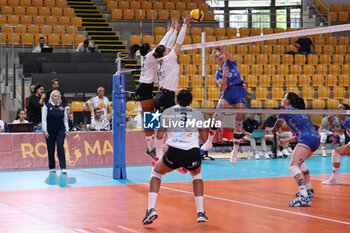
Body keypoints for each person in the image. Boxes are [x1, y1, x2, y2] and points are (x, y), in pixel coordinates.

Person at [142, 90, 208, 225]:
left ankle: (150, 209)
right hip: (193, 153)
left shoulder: (168, 112)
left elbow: (159, 136)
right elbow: (204, 138)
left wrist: (166, 134)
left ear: (177, 100)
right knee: (196, 176)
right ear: (191, 101)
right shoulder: (198, 114)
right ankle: (200, 212)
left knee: (156, 173)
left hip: (174, 153)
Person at [131, 18, 179, 160]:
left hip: (146, 88)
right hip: (144, 88)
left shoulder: (148, 57)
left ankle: (155, 145)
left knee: (151, 117)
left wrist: (173, 30)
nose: (154, 49)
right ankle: (151, 148)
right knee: (149, 118)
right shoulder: (151, 56)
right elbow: (163, 43)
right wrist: (172, 30)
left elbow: (165, 46)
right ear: (149, 50)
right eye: (152, 48)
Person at [151, 15, 192, 174]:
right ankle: (164, 158)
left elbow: (167, 44)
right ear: (165, 52)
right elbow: (179, 43)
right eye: (167, 48)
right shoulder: (169, 58)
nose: (169, 47)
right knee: (170, 128)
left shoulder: (161, 59)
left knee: (166, 128)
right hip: (166, 97)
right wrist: (184, 26)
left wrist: (173, 29)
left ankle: (160, 156)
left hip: (161, 96)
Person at [270, 92, 320, 207]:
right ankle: (309, 190)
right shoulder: (302, 112)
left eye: (284, 97)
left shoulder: (285, 110)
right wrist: (286, 141)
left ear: (288, 101)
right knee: (300, 164)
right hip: (315, 138)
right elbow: (301, 134)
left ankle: (304, 198)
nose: (282, 99)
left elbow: (275, 128)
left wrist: (273, 131)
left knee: (293, 166)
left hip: (307, 139)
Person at [200, 45, 246, 165]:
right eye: (216, 56)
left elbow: (230, 56)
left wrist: (223, 49)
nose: (218, 57)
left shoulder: (231, 62)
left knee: (239, 120)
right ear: (214, 60)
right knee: (218, 115)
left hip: (239, 91)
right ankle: (209, 141)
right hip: (227, 92)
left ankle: (235, 150)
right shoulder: (217, 74)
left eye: (219, 55)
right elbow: (223, 87)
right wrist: (224, 73)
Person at [42, 90, 69, 174]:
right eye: (55, 96)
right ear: (51, 97)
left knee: (60, 146)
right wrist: (45, 130)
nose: (56, 97)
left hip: (60, 129)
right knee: (51, 148)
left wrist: (67, 130)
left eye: (58, 96)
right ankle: (52, 166)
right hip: (50, 130)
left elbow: (65, 120)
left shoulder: (62, 107)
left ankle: (63, 167)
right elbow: (44, 120)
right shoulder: (46, 107)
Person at [322, 103, 350, 185]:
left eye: (340, 108)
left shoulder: (348, 120)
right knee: (336, 152)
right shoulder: (343, 122)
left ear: (346, 111)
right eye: (337, 108)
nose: (338, 109)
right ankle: (335, 177)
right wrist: (330, 123)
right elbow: (340, 133)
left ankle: (335, 178)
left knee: (336, 152)